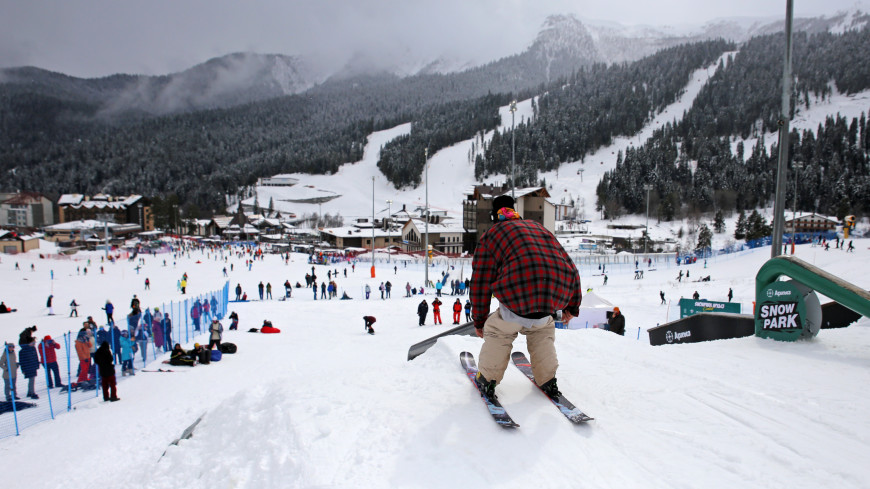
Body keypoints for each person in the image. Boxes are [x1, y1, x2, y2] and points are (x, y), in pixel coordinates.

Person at [471, 194, 581, 401]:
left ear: (494, 215)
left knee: (499, 332)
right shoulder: (539, 228)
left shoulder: (492, 235)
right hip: (551, 299)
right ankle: (548, 379)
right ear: (515, 211)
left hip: (516, 300)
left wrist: (479, 320)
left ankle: (487, 379)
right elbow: (570, 267)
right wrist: (571, 307)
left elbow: (480, 282)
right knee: (542, 332)